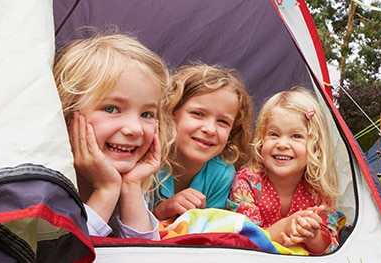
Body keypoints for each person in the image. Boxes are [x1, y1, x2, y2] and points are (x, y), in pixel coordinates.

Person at [54, 31, 170, 238]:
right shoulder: (44, 192)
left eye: (146, 114)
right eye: (111, 109)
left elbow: (146, 257)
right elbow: (65, 254)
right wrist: (105, 191)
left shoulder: (130, 184)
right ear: (67, 114)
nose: (134, 129)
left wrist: (132, 187)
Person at [226, 88, 340, 255]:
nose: (282, 144)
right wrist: (287, 226)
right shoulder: (247, 181)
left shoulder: (318, 190)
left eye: (296, 136)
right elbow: (245, 240)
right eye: (274, 134)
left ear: (315, 147)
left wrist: (312, 235)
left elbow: (330, 247)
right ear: (261, 139)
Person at [150, 63, 254, 221]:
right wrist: (161, 211)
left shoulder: (222, 173)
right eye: (198, 114)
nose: (210, 129)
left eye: (223, 122)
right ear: (171, 113)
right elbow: (127, 227)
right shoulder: (148, 159)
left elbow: (209, 232)